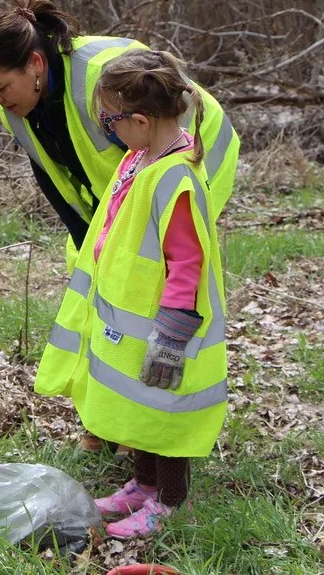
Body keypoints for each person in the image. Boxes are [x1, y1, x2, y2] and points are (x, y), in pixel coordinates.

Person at [0, 0, 239, 452]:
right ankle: (105, 418)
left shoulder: (108, 78)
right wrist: (95, 249)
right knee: (100, 296)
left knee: (148, 297)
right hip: (124, 190)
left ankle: (146, 428)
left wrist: (134, 249)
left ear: (34, 65)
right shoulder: (19, 112)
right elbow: (56, 180)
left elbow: (173, 128)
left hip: (188, 169)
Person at [34, 49, 229, 538]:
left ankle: (170, 500)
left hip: (162, 324)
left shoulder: (175, 176)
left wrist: (172, 331)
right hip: (130, 318)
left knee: (167, 418)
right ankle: (142, 487)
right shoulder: (140, 157)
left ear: (139, 120)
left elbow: (187, 260)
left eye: (108, 121)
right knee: (140, 408)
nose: (104, 129)